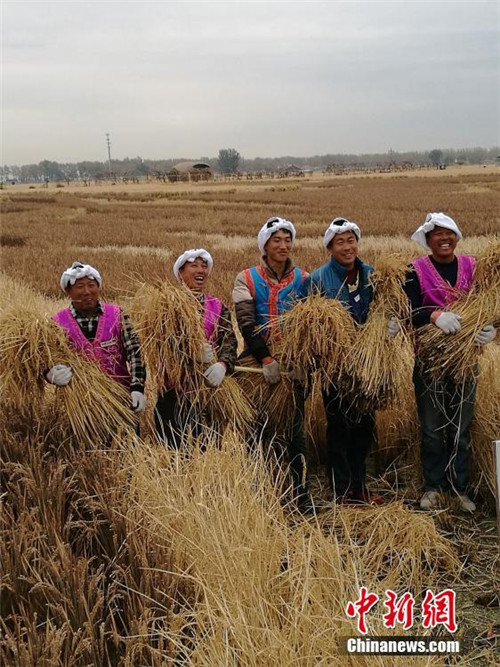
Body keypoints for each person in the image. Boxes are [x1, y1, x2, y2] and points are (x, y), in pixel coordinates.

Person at [404, 212, 497, 512]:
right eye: (437, 234)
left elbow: (493, 302)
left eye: (450, 234)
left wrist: (492, 328)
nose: (444, 239)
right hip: (429, 361)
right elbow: (407, 311)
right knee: (431, 428)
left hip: (465, 361)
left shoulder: (474, 266)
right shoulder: (414, 270)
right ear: (428, 240)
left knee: (461, 427)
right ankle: (433, 487)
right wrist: (433, 316)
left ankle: (459, 489)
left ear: (457, 237)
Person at [233, 216, 315, 514]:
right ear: (264, 245)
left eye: (287, 239)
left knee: (294, 431)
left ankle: (300, 493)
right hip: (257, 366)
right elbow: (246, 322)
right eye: (276, 240)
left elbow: (312, 325)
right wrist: (267, 360)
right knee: (257, 430)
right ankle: (260, 492)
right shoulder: (246, 278)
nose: (283, 245)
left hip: (293, 366)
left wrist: (301, 362)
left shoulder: (306, 280)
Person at [299, 218, 384, 506]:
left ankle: (359, 486)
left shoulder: (372, 275)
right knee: (339, 427)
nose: (347, 247)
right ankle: (341, 490)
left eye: (351, 240)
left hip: (368, 366)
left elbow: (388, 308)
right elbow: (307, 325)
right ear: (330, 248)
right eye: (340, 242)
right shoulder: (317, 280)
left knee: (364, 427)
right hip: (336, 369)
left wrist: (388, 324)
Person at [154, 248, 237, 447]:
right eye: (194, 265)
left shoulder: (217, 306)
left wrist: (223, 364)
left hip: (210, 392)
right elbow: (159, 344)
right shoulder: (164, 305)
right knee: (176, 452)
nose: (201, 270)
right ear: (180, 273)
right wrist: (190, 353)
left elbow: (230, 340)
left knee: (209, 449)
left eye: (204, 266)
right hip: (175, 393)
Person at [46, 261, 146, 415]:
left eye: (91, 285)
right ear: (68, 291)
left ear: (99, 287)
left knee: (127, 439)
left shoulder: (117, 314)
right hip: (80, 407)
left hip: (122, 402)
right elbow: (45, 358)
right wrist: (49, 373)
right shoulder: (57, 323)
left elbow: (135, 353)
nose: (87, 292)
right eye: (80, 287)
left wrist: (137, 387)